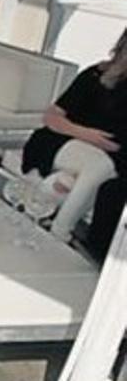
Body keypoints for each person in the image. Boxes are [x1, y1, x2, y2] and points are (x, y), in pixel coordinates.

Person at [22, 29, 126, 243]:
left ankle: (56, 190)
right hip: (64, 139)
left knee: (72, 181)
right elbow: (51, 117)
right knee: (100, 167)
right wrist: (87, 135)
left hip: (114, 156)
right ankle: (60, 233)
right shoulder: (95, 75)